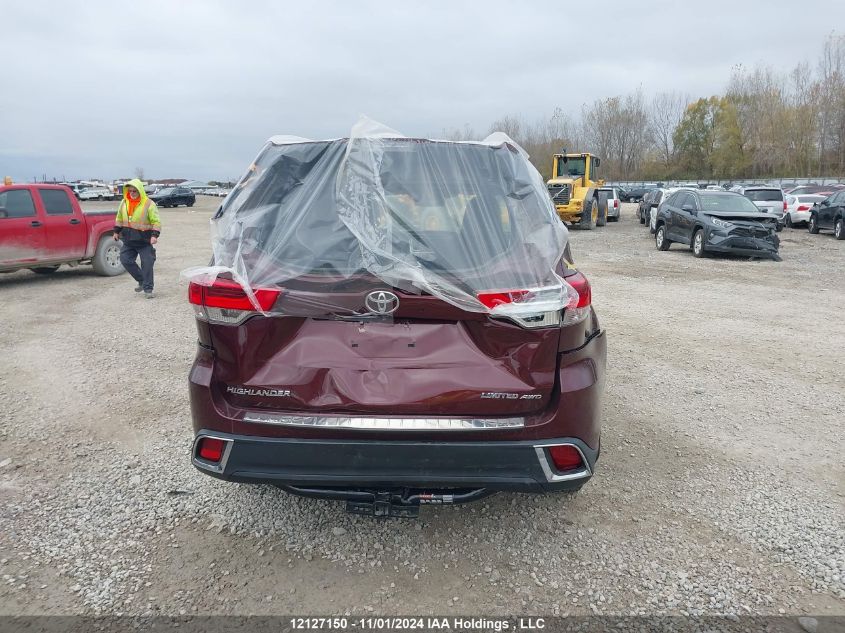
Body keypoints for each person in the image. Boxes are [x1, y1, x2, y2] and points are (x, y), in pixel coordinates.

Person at [113, 179, 161, 298]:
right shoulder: (124, 202)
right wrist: (116, 232)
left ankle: (148, 289)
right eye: (130, 191)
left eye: (135, 191)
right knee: (125, 260)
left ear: (140, 191)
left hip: (144, 240)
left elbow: (156, 221)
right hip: (128, 240)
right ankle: (142, 280)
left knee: (147, 264)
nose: (132, 193)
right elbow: (119, 218)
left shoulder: (149, 203)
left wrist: (154, 235)